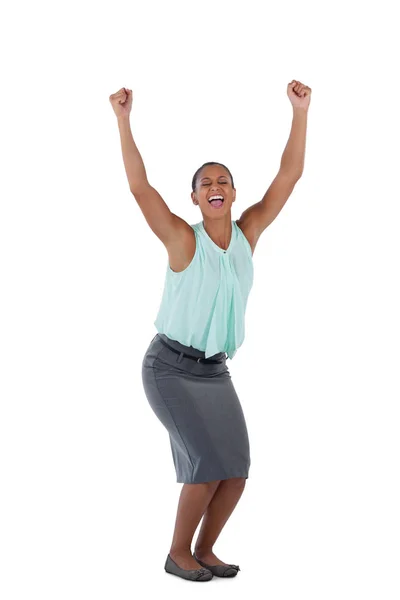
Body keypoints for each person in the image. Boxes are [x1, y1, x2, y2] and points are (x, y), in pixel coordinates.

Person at [109, 81, 311, 582]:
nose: (216, 186)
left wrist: (300, 111)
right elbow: (140, 188)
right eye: (206, 183)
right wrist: (122, 120)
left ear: (234, 193)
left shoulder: (248, 234)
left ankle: (205, 548)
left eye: (223, 180)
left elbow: (290, 175)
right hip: (169, 368)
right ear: (196, 198)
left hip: (215, 371)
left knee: (235, 470)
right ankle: (177, 553)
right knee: (204, 465)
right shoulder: (182, 239)